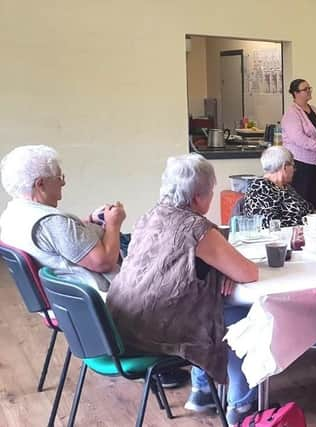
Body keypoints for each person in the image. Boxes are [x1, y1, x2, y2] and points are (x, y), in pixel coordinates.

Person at [106, 154, 259, 425]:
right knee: (244, 317)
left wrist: (220, 268)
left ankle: (203, 391)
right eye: (210, 192)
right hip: (155, 332)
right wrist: (226, 268)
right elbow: (248, 272)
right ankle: (242, 405)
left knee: (219, 306)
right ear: (198, 197)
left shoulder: (152, 215)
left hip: (120, 323)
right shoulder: (196, 227)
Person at [0, 145, 126, 298]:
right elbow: (104, 263)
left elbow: (56, 243)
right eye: (59, 178)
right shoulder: (52, 224)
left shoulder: (12, 214)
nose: (63, 183)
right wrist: (114, 223)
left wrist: (90, 220)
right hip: (100, 298)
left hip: (63, 298)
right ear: (40, 184)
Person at [281, 78, 316, 210]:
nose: (309, 91)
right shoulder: (291, 114)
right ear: (295, 93)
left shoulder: (314, 109)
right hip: (301, 162)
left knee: (315, 199)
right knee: (302, 199)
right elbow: (298, 137)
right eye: (305, 89)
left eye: (309, 88)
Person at [243, 146, 313, 228]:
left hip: (304, 234)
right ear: (285, 167)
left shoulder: (286, 187)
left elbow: (308, 209)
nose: (294, 170)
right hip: (280, 238)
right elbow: (269, 225)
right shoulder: (260, 188)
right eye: (293, 166)